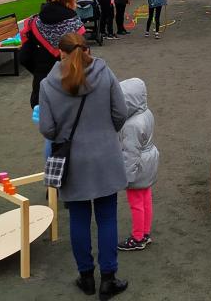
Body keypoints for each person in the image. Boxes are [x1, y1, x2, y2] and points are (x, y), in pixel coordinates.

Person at [38, 33, 128, 298]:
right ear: (86, 49)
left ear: (60, 52)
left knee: (78, 219)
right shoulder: (105, 72)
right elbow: (120, 112)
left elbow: (47, 128)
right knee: (107, 217)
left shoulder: (48, 84)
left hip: (72, 161)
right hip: (105, 157)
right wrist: (104, 134)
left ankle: (86, 276)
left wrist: (65, 137)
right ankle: (108, 278)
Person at [21, 0, 86, 109]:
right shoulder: (75, 25)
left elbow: (24, 57)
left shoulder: (34, 23)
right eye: (75, 1)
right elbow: (84, 58)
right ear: (68, 3)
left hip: (42, 86)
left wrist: (39, 71)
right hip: (71, 87)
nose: (76, 5)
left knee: (47, 125)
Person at [116, 78, 159, 252]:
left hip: (138, 165)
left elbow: (130, 154)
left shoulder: (130, 125)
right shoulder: (146, 113)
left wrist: (126, 177)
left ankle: (137, 237)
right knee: (146, 197)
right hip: (149, 160)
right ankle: (145, 233)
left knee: (136, 202)